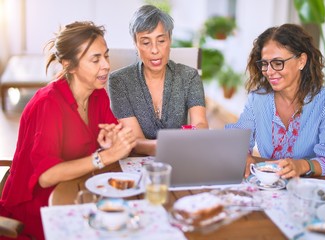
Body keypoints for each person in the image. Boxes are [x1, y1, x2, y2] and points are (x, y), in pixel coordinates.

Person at [0, 21, 136, 240]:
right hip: (38, 210)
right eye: (95, 59)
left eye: (106, 56)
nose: (106, 65)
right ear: (69, 65)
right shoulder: (48, 104)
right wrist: (104, 156)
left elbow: (118, 145)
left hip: (77, 192)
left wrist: (114, 141)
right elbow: (46, 177)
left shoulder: (97, 94)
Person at [226, 23, 325, 192]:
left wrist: (302, 165)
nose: (269, 71)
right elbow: (239, 138)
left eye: (278, 63)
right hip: (280, 186)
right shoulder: (257, 99)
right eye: (264, 64)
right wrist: (243, 155)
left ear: (301, 61)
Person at [108, 5, 208, 156]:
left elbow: (200, 123)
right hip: (136, 164)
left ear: (170, 40)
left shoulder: (189, 76)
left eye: (161, 40)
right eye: (146, 42)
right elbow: (134, 141)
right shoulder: (119, 81)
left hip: (180, 160)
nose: (155, 50)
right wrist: (174, 145)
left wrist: (197, 135)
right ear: (135, 44)